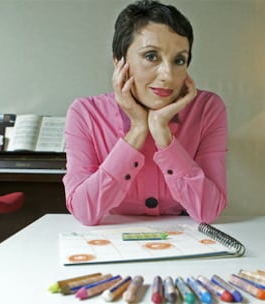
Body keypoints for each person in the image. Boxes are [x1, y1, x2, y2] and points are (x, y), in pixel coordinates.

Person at [63, 0, 227, 226]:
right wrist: (138, 130)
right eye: (151, 56)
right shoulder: (85, 114)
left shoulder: (208, 108)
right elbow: (84, 212)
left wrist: (163, 134)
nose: (168, 75)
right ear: (119, 61)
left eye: (179, 60)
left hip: (183, 237)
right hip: (111, 238)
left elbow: (208, 211)